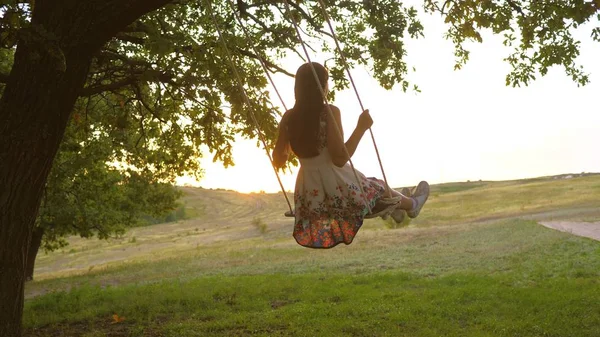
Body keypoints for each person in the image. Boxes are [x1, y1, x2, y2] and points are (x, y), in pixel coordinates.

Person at [272, 62, 429, 248]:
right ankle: (412, 204)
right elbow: (339, 159)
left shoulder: (289, 118)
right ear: (322, 85)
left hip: (308, 189)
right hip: (334, 183)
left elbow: (279, 160)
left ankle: (394, 207)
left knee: (373, 185)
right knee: (376, 187)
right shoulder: (329, 112)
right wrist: (361, 128)